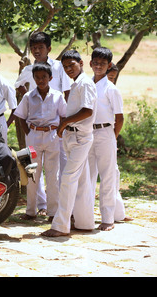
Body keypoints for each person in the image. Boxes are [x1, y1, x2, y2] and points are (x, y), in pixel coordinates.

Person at [14, 31, 71, 215]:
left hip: (54, 131)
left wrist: (60, 131)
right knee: (33, 174)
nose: (37, 51)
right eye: (34, 48)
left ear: (49, 48)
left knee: (54, 173)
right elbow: (18, 90)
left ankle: (54, 210)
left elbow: (66, 93)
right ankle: (36, 208)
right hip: (35, 132)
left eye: (41, 47)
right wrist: (29, 132)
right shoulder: (29, 74)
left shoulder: (58, 67)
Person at [42, 50, 97, 237]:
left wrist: (65, 122)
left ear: (81, 63)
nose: (68, 69)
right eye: (65, 67)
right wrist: (65, 126)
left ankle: (60, 226)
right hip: (72, 137)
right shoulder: (77, 84)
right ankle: (85, 222)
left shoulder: (85, 83)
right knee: (80, 181)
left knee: (67, 179)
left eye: (71, 65)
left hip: (81, 137)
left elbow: (87, 111)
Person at [88, 47, 129, 231]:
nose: (98, 66)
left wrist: (111, 138)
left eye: (102, 64)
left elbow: (119, 118)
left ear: (109, 66)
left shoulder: (111, 89)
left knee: (107, 177)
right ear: (90, 64)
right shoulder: (86, 85)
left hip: (106, 133)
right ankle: (85, 216)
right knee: (87, 177)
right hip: (87, 133)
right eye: (95, 63)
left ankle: (108, 219)